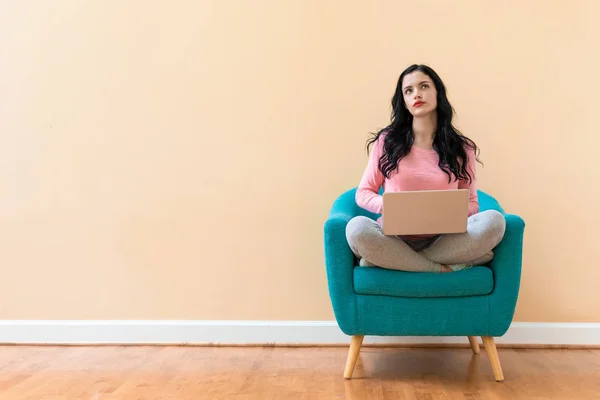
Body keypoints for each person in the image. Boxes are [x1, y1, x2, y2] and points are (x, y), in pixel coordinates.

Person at [346, 64, 506, 273]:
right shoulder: (386, 142)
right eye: (408, 91)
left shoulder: (462, 148)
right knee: (356, 229)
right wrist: (390, 205)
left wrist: (449, 211)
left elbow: (473, 202)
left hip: (445, 240)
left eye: (424, 86)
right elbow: (363, 193)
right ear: (403, 101)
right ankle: (437, 268)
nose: (416, 94)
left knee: (495, 221)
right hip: (393, 238)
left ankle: (393, 262)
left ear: (437, 92)